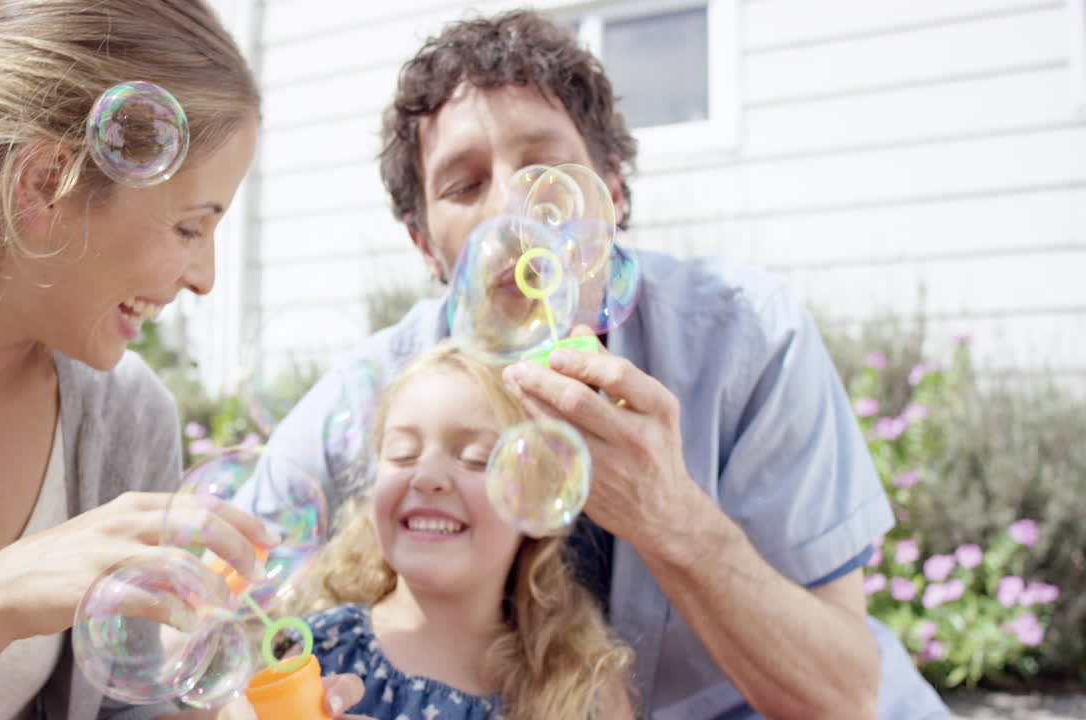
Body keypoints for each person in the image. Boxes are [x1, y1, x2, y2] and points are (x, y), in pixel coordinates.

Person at [260, 9, 950, 720]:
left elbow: (842, 699)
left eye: (545, 174)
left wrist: (669, 518)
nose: (509, 212)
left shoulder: (747, 334)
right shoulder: (391, 388)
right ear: (424, 245)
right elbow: (223, 586)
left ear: (612, 193)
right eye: (464, 186)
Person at [0, 1, 364, 718]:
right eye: (191, 226)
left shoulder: (123, 417)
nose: (205, 278)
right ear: (44, 185)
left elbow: (122, 706)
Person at [281, 340, 633, 720]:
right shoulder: (316, 659)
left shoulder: (586, 692)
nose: (428, 477)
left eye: (476, 459)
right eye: (402, 453)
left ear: (536, 502)